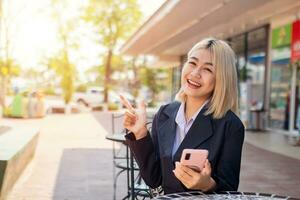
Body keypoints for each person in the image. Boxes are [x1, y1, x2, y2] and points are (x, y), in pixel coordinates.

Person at [120, 38, 245, 194]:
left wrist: (208, 185)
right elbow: (153, 179)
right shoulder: (165, 113)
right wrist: (140, 134)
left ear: (221, 79)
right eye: (192, 63)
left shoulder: (231, 125)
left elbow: (230, 190)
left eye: (208, 69)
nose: (195, 73)